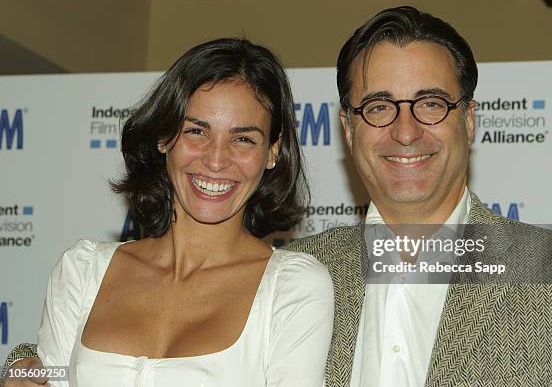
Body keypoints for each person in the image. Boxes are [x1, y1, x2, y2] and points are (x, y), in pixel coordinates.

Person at [4, 6, 552, 387]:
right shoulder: (299, 274)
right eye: (378, 106)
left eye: (431, 103)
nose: (405, 131)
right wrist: (25, 365)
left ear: (471, 119)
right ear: (346, 128)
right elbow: (65, 358)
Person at [1, 38, 333, 387]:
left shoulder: (293, 288)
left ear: (272, 152)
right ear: (163, 137)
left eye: (243, 139)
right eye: (195, 131)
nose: (216, 160)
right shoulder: (82, 271)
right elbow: (50, 375)